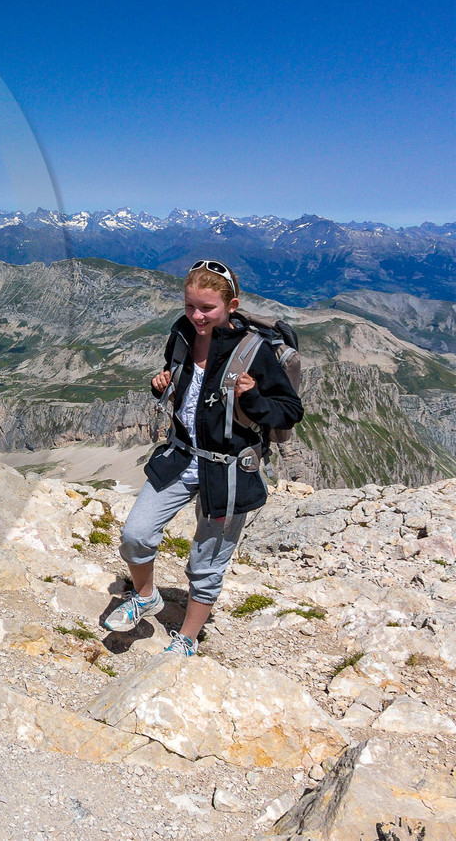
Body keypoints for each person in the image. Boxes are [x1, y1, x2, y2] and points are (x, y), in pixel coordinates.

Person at [103, 260, 303, 655]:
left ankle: (187, 640)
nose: (197, 316)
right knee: (135, 535)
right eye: (190, 305)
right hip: (181, 457)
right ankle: (145, 597)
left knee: (208, 560)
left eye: (207, 308)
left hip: (228, 471)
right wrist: (160, 382)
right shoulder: (181, 333)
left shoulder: (255, 352)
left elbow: (289, 411)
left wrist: (254, 398)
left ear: (231, 305)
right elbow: (178, 382)